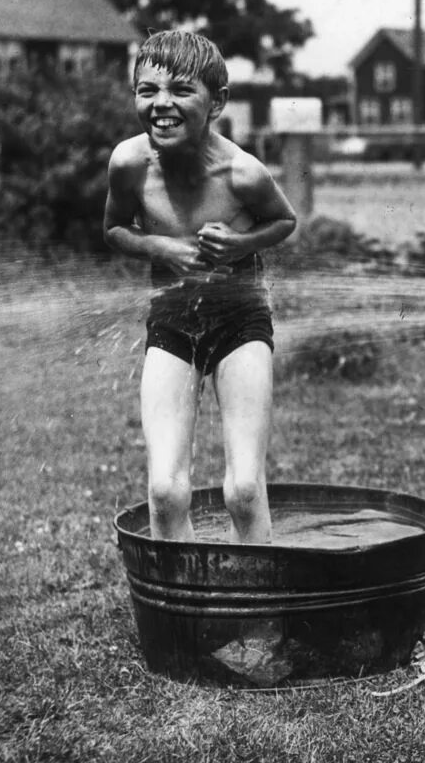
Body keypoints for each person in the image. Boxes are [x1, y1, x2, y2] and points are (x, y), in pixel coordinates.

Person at [104, 31, 297, 544]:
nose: (161, 104)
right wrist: (161, 248)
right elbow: (115, 229)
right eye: (147, 90)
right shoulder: (128, 164)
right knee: (165, 492)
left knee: (244, 490)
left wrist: (240, 245)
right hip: (172, 321)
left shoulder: (243, 173)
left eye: (181, 90)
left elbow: (284, 221)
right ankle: (182, 620)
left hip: (240, 321)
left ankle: (257, 619)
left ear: (217, 102)